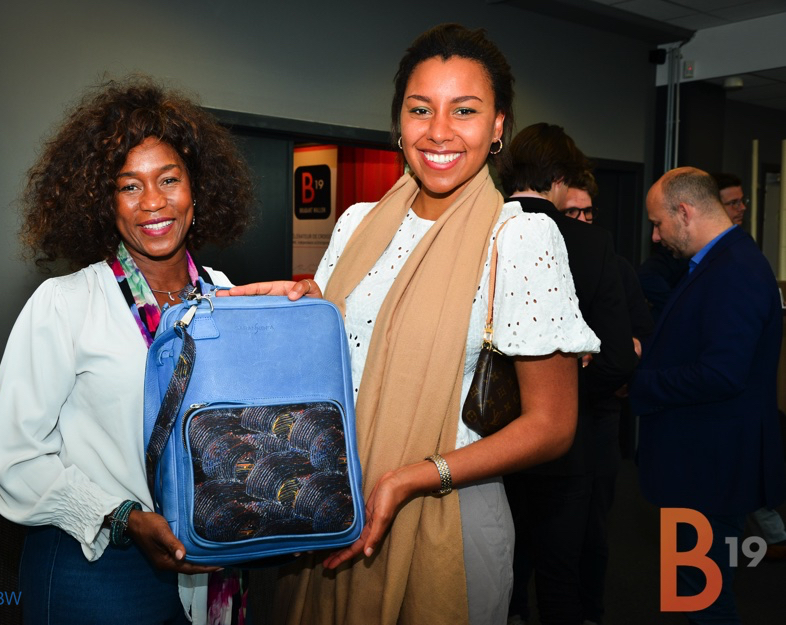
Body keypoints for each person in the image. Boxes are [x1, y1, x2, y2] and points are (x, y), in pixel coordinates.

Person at [225, 24, 598, 625]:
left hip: (448, 509)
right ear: (399, 122)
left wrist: (415, 478)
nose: (439, 131)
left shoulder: (519, 237)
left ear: (498, 126)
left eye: (465, 110)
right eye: (421, 109)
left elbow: (553, 425)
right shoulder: (357, 224)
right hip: (333, 497)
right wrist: (306, 307)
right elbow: (355, 348)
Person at [0, 76, 255, 625]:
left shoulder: (225, 296)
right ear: (105, 202)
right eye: (130, 186)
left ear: (196, 189)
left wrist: (296, 316)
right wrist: (122, 517)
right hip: (98, 564)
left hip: (210, 560)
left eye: (168, 179)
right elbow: (10, 458)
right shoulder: (66, 303)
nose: (153, 202)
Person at [631, 167, 786, 623]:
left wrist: (641, 381)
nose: (656, 237)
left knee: (704, 601)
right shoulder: (721, 261)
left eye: (658, 223)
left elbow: (721, 373)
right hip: (705, 464)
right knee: (696, 594)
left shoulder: (734, 269)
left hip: (709, 470)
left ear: (684, 212)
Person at [499, 123, 636, 625]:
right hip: (566, 444)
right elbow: (618, 358)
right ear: (559, 178)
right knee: (561, 578)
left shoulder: (479, 234)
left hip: (488, 440)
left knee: (498, 571)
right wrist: (567, 393)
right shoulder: (591, 243)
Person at [560, 170, 653, 625]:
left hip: (600, 415)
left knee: (595, 524)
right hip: (546, 415)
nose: (582, 221)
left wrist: (624, 357)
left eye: (588, 213)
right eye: (571, 213)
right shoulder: (541, 263)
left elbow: (640, 334)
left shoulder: (615, 266)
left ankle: (591, 612)